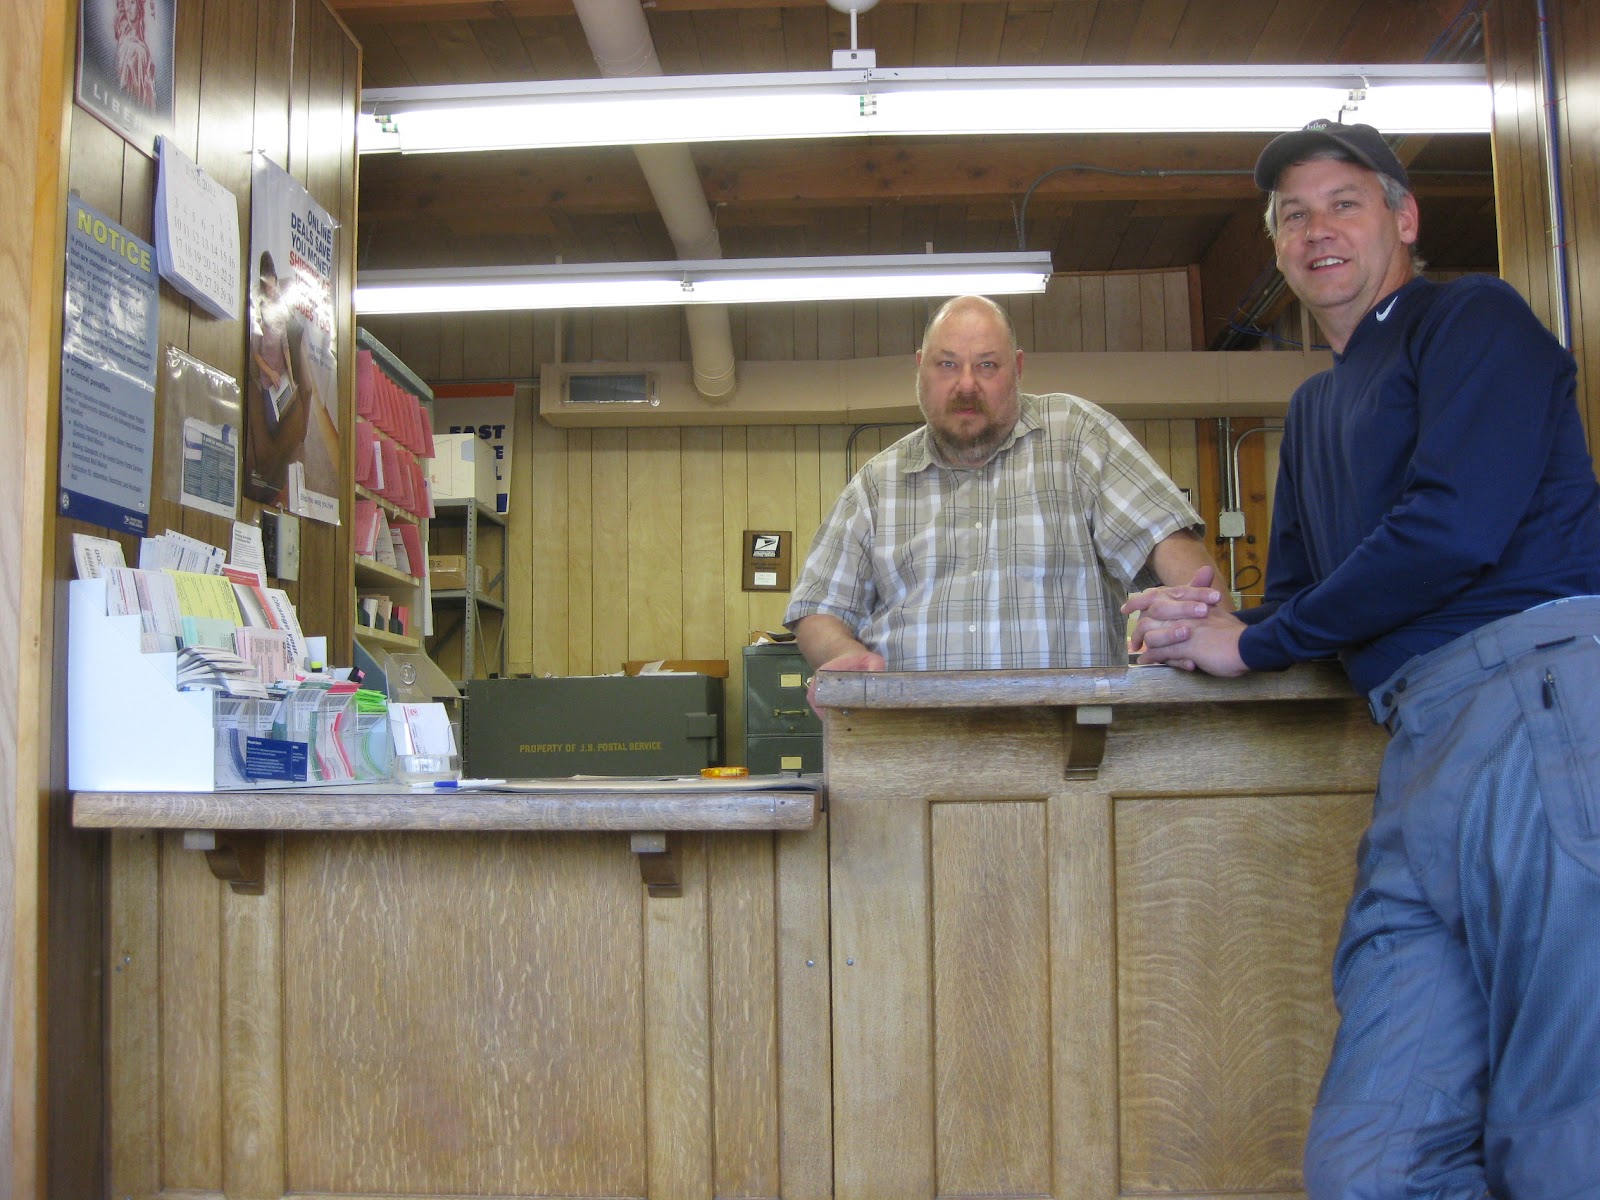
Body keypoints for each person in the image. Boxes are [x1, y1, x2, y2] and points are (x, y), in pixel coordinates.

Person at [1125, 119, 1600, 1197]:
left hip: (1539, 703)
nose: (1317, 229)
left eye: (1344, 201)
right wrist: (1189, 621)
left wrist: (1254, 640)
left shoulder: (1469, 318)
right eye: (1292, 215)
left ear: (1402, 217)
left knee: (1569, 1131)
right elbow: (1293, 606)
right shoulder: (1315, 407)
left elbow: (1453, 529)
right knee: (1371, 1165)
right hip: (1417, 742)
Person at [785, 293, 1221, 681]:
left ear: (1018, 368)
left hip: (1068, 746)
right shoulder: (877, 484)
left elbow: (1164, 536)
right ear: (921, 369)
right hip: (914, 746)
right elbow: (819, 608)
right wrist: (845, 656)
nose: (967, 384)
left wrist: (1208, 621)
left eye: (987, 365)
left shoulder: (1076, 436)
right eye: (948, 364)